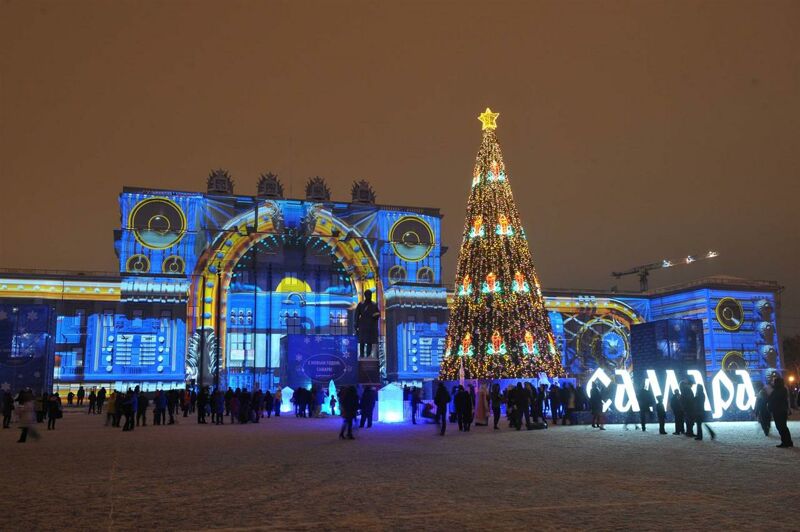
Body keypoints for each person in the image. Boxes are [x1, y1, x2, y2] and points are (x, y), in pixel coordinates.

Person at [768, 377, 794, 448]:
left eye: (774, 382)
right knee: (783, 427)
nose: (773, 383)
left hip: (779, 411)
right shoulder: (780, 389)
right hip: (780, 410)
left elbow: (774, 400)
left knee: (781, 427)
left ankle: (785, 442)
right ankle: (788, 441)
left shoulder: (779, 390)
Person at [354, 289, 380, 358]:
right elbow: (356, 315)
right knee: (362, 341)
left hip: (371, 325)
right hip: (363, 325)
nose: (369, 296)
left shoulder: (374, 304)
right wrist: (356, 325)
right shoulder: (361, 304)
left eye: (370, 295)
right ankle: (362, 355)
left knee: (369, 342)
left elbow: (378, 313)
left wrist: (376, 315)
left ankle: (368, 356)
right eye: (368, 295)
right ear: (365, 296)